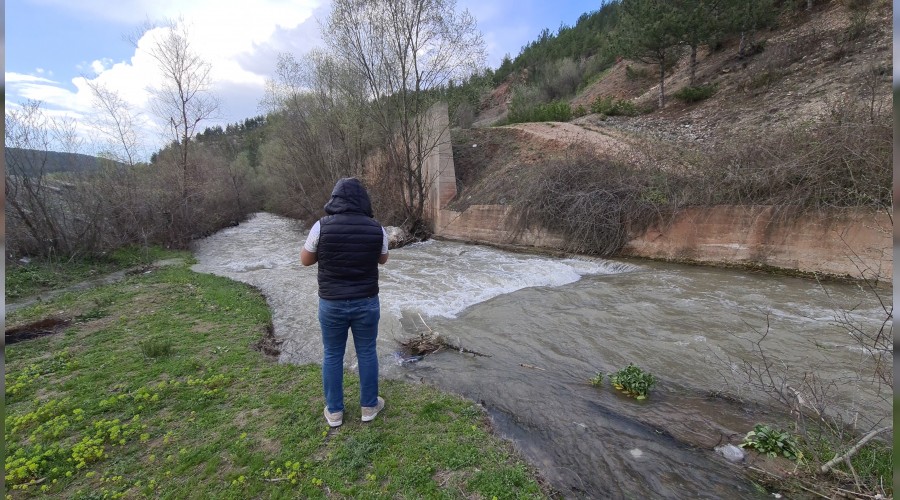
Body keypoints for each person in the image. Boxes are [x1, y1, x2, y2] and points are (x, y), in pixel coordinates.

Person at [301, 177, 389, 427]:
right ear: (364, 200)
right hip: (367, 301)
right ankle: (369, 407)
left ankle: (335, 412)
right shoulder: (377, 228)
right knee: (367, 352)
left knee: (332, 354)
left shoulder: (321, 226)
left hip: (332, 303)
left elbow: (305, 260)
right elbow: (383, 259)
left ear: (335, 199)